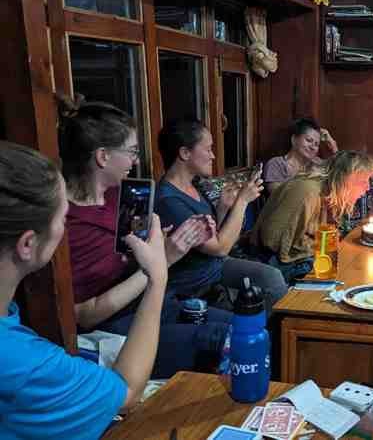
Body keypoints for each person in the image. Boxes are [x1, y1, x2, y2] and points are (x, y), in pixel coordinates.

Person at [0, 141, 168, 438]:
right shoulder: (24, 362)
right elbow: (126, 392)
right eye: (62, 217)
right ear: (28, 244)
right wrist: (157, 278)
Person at [58, 96, 229, 378]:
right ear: (103, 156)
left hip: (155, 301)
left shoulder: (120, 195)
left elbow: (135, 249)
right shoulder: (69, 222)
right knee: (225, 339)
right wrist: (166, 257)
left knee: (248, 326)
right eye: (132, 152)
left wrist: (162, 240)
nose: (136, 160)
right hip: (114, 326)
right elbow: (86, 314)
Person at [156, 119, 287, 311]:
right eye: (208, 149)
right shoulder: (169, 200)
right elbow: (219, 248)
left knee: (272, 278)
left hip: (215, 268)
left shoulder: (194, 185)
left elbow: (211, 233)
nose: (213, 156)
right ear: (184, 153)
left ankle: (268, 334)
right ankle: (255, 333)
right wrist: (242, 202)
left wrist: (223, 208)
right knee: (267, 286)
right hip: (195, 283)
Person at [250, 150, 373, 282]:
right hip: (270, 262)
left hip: (299, 258)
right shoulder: (307, 191)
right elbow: (271, 240)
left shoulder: (329, 193)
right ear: (344, 179)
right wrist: (320, 248)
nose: (368, 187)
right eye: (363, 181)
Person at [263, 117, 338, 194]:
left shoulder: (317, 163)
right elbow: (276, 196)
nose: (312, 147)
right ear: (294, 139)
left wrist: (333, 145)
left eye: (316, 144)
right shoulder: (276, 164)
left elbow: (341, 173)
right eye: (309, 140)